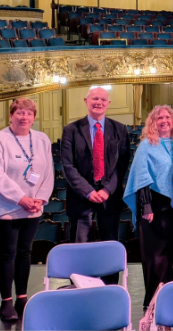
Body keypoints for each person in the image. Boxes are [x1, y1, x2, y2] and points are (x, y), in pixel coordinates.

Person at [0, 98, 54, 321]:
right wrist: (20, 198)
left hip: (33, 207)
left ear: (34, 117)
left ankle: (22, 298)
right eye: (20, 113)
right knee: (7, 254)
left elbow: (48, 172)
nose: (24, 117)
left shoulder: (41, 139)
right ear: (11, 116)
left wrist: (40, 199)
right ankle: (5, 303)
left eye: (29, 113)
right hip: (5, 208)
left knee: (25, 252)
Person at [122, 105, 173, 309]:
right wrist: (146, 206)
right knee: (156, 258)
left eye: (168, 117)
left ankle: (171, 296)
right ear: (153, 122)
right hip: (154, 208)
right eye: (160, 118)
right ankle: (153, 301)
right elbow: (141, 178)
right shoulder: (146, 145)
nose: (164, 121)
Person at [60, 87, 130, 243]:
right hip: (80, 198)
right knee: (80, 248)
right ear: (86, 101)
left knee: (110, 248)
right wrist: (88, 191)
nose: (99, 102)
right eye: (95, 99)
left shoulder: (119, 129)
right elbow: (67, 165)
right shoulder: (71, 130)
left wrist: (107, 189)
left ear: (108, 103)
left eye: (103, 99)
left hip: (109, 198)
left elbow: (122, 163)